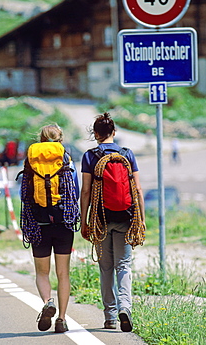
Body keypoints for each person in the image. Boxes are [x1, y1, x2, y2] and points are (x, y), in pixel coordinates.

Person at [80, 112, 146, 332]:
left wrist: (84, 220)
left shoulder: (90, 156)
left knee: (106, 267)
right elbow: (137, 189)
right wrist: (141, 220)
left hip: (101, 219)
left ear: (96, 134)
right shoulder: (127, 154)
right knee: (123, 265)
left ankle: (110, 318)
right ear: (114, 132)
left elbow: (87, 191)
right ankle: (125, 306)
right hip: (126, 217)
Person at [25, 124, 79, 333]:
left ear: (40, 139)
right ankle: (62, 320)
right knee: (63, 273)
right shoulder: (66, 159)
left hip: (39, 223)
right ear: (60, 139)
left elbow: (25, 192)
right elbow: (73, 190)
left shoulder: (31, 159)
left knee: (42, 272)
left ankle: (48, 302)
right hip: (63, 223)